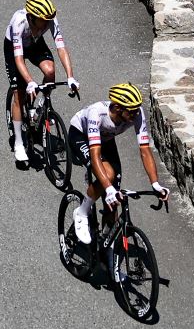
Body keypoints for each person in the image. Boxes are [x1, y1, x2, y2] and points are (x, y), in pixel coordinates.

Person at [65, 82, 169, 247]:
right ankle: (82, 212)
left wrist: (155, 184)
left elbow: (145, 150)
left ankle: (106, 244)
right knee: (108, 176)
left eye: (137, 110)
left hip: (106, 139)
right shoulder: (97, 113)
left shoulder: (136, 112)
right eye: (132, 111)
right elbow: (95, 154)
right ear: (118, 108)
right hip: (80, 136)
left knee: (113, 202)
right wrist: (107, 187)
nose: (136, 114)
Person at [3, 0, 79, 167]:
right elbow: (19, 58)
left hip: (35, 43)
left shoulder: (49, 19)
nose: (46, 24)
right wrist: (30, 81)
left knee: (50, 72)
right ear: (31, 16)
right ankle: (19, 144)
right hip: (15, 49)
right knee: (19, 93)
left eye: (48, 21)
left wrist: (70, 77)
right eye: (42, 21)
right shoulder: (19, 22)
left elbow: (61, 48)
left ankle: (39, 108)